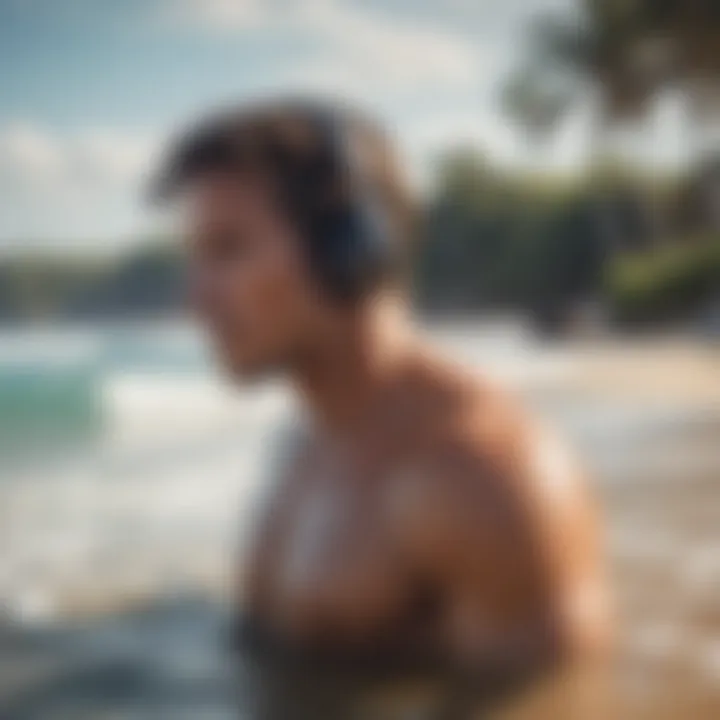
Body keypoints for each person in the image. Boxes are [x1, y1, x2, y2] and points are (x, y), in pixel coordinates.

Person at [152, 98, 611, 718]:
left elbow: (556, 706)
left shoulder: (482, 478)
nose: (194, 300)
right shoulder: (305, 439)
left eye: (227, 251)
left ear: (351, 247)